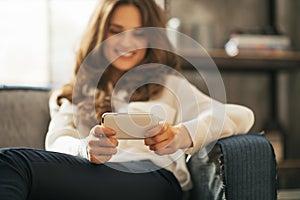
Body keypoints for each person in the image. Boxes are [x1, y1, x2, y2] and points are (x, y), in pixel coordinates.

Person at [0, 0, 254, 199]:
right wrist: (85, 148)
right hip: (88, 174)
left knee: (10, 163)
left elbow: (242, 116)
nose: (127, 43)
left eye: (138, 34)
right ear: (101, 34)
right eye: (116, 31)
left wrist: (181, 135)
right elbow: (57, 141)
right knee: (9, 166)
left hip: (153, 178)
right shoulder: (76, 94)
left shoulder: (168, 85)